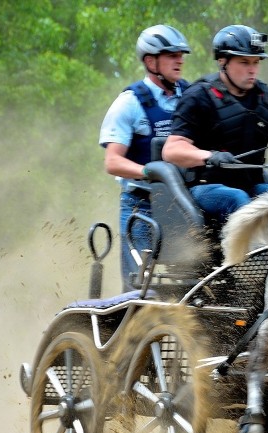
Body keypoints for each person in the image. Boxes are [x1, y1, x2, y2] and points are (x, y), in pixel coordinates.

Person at [162, 24, 268, 226]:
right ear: (223, 62)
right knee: (238, 200)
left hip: (252, 186)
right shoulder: (198, 96)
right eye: (244, 62)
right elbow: (172, 150)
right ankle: (248, 258)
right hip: (205, 188)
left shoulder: (267, 97)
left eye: (256, 62)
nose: (252, 69)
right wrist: (209, 156)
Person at [99, 24, 191, 290]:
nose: (180, 60)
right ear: (151, 61)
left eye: (181, 55)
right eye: (172, 55)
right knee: (139, 289)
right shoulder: (129, 103)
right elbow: (112, 162)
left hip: (183, 204)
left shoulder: (191, 95)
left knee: (196, 286)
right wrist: (151, 172)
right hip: (142, 206)